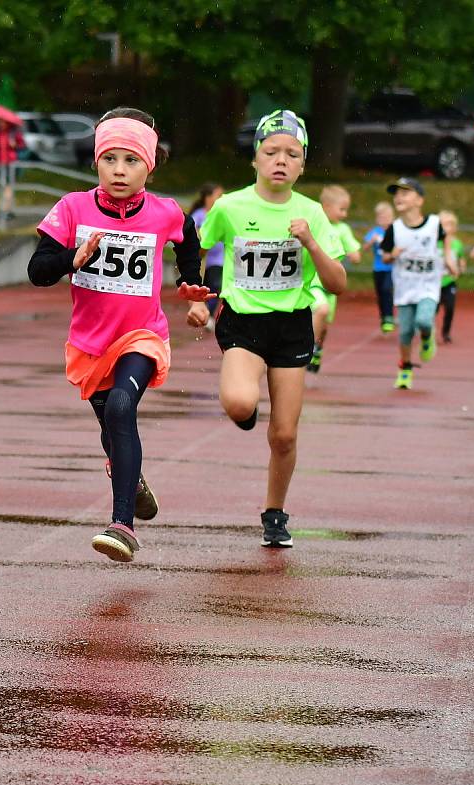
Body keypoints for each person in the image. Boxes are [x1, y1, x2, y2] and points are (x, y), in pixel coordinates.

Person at [27, 107, 212, 563]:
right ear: (96, 163)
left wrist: (190, 285)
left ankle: (122, 526)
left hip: (141, 336)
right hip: (90, 345)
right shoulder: (72, 208)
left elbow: (188, 237)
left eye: (131, 161)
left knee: (124, 406)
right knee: (112, 424)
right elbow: (37, 272)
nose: (119, 170)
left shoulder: (164, 211)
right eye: (110, 160)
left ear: (149, 165)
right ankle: (132, 478)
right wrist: (73, 258)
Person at [191, 110, 346, 548]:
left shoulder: (312, 213)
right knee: (239, 404)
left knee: (284, 434)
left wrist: (311, 243)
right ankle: (247, 411)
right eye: (271, 151)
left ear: (302, 164)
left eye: (291, 154)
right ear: (255, 159)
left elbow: (337, 284)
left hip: (292, 326)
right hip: (242, 320)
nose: (281, 160)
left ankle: (275, 513)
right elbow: (197, 251)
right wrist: (202, 300)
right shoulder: (230, 207)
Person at [380, 178, 457, 390]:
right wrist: (392, 255)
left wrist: (449, 258)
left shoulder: (433, 223)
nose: (399, 197)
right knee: (405, 332)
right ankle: (405, 369)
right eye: (396, 193)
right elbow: (385, 256)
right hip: (405, 288)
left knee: (423, 320)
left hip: (429, 286)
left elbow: (446, 238)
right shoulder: (394, 229)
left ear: (419, 200)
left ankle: (426, 336)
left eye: (406, 193)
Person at [307, 185, 360, 373]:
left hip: (331, 285)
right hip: (313, 281)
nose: (345, 214)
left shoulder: (343, 229)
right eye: (341, 209)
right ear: (326, 206)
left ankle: (318, 349)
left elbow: (354, 250)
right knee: (321, 310)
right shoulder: (313, 224)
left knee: (324, 325)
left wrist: (354, 254)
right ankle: (308, 349)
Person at [188, 183, 224, 329]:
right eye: (218, 196)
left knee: (216, 286)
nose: (222, 199)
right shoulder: (199, 216)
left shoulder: (222, 213)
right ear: (208, 198)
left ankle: (207, 314)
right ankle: (203, 313)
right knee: (207, 289)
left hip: (220, 259)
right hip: (204, 260)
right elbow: (192, 236)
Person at [363, 201, 396, 333]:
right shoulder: (375, 232)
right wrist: (372, 241)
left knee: (387, 289)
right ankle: (383, 317)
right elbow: (364, 248)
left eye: (387, 217)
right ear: (377, 219)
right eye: (382, 217)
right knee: (380, 293)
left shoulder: (394, 231)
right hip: (378, 268)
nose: (385, 220)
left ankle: (389, 317)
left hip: (391, 268)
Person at [0, 119, 25, 218]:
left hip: (10, 163)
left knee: (8, 187)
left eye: (3, 122)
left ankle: (6, 210)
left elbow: (22, 145)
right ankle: (5, 209)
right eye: (0, 122)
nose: (1, 124)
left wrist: (15, 144)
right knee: (2, 187)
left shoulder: (13, 134)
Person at [437, 210, 466, 344]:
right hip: (434, 282)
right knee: (432, 309)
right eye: (442, 225)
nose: (445, 228)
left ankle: (446, 332)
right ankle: (428, 332)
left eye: (448, 225)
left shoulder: (457, 244)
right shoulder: (434, 243)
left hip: (449, 282)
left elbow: (461, 260)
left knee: (450, 307)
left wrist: (460, 268)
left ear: (454, 227)